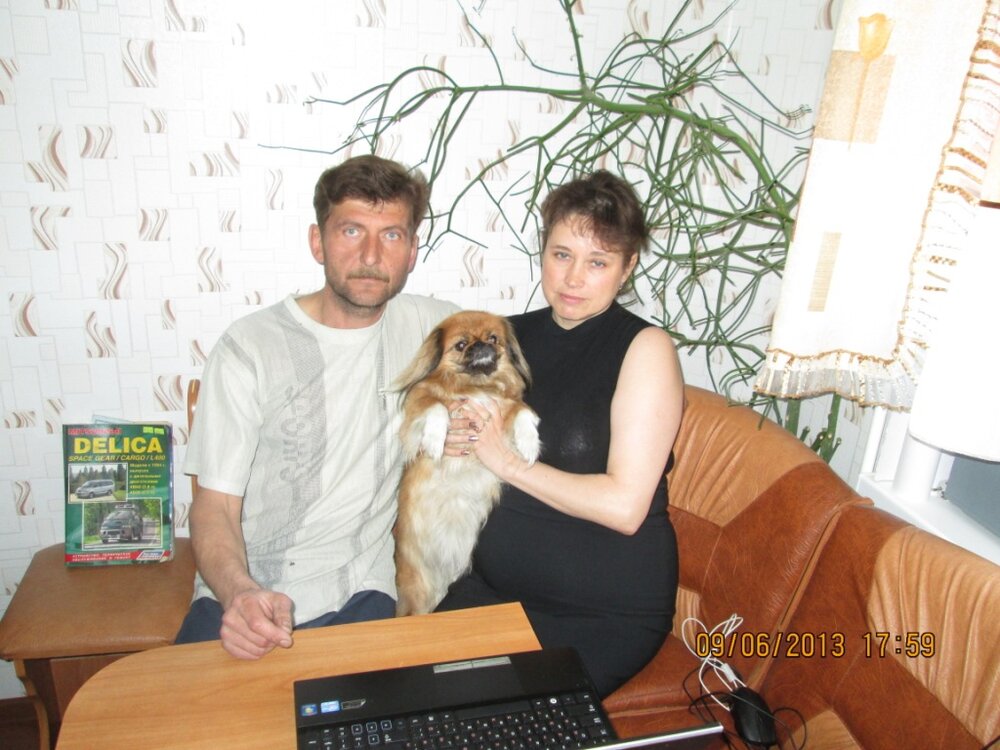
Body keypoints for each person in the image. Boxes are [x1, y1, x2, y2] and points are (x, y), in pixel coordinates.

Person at [177, 155, 457, 659]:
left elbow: (525, 348)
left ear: (412, 250)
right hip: (241, 593)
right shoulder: (250, 348)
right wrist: (239, 593)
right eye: (351, 231)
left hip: (358, 592)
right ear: (317, 241)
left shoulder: (433, 330)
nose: (370, 255)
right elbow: (214, 505)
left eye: (391, 235)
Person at [438, 170, 684, 697]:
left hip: (599, 613)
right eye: (561, 254)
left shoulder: (645, 349)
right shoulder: (506, 335)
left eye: (597, 262)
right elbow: (464, 433)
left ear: (627, 267)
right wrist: (455, 438)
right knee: (403, 704)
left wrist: (506, 462)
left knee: (491, 722)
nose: (573, 278)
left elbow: (625, 507)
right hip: (491, 591)